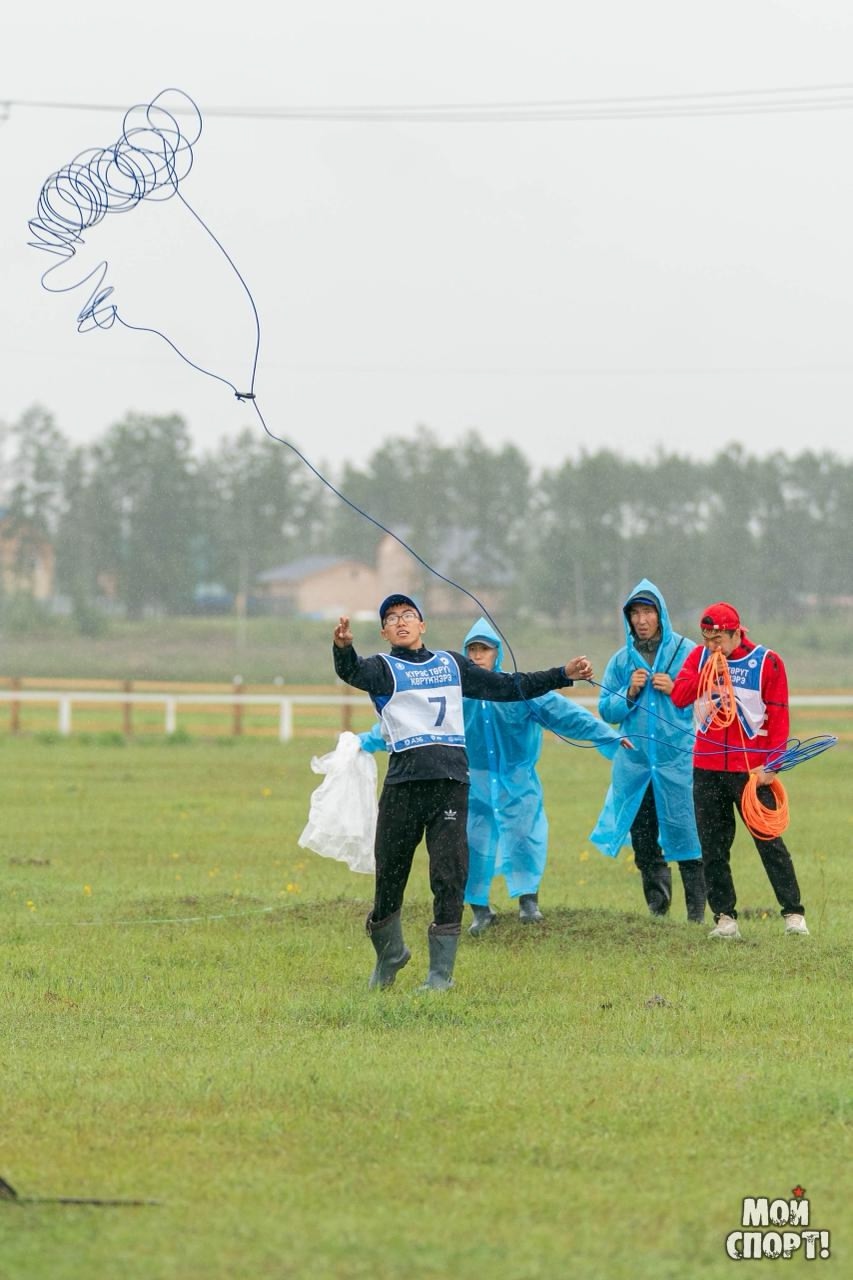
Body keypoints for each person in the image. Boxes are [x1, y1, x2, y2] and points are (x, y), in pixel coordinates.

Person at [333, 594, 595, 990]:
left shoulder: (451, 664)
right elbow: (351, 671)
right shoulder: (382, 669)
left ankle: (440, 976)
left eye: (409, 615)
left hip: (450, 787)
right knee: (390, 877)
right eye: (391, 618)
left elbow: (508, 686)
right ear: (385, 632)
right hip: (403, 786)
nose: (401, 622)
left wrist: (563, 673)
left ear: (423, 626)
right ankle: (390, 955)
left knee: (449, 876)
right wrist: (343, 647)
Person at [361, 616, 627, 934]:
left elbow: (567, 715)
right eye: (471, 650)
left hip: (518, 781)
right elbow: (408, 720)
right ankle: (480, 910)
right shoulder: (452, 692)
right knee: (470, 844)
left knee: (525, 836)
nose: (476, 656)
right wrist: (361, 741)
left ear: (496, 653)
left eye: (483, 649)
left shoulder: (514, 691)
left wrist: (607, 735)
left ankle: (529, 903)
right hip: (472, 781)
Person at [670, 601, 808, 939]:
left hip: (752, 771)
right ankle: (725, 918)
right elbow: (678, 697)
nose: (713, 646)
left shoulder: (767, 662)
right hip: (707, 767)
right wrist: (708, 677)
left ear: (736, 633)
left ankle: (793, 914)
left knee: (769, 841)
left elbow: (779, 718)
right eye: (707, 639)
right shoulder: (700, 658)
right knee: (713, 847)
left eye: (719, 640)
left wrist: (772, 767)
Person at [589, 580, 706, 922]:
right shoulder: (622, 660)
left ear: (661, 615)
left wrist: (677, 690)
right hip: (636, 766)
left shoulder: (687, 653)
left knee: (688, 835)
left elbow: (709, 700)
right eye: (635, 613)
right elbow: (607, 711)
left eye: (648, 612)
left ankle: (697, 914)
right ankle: (658, 910)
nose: (641, 620)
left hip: (679, 762)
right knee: (643, 837)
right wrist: (629, 692)